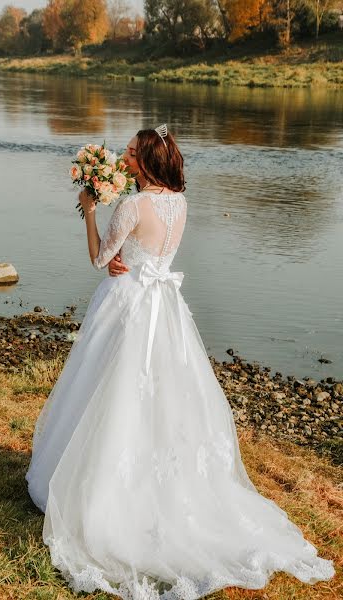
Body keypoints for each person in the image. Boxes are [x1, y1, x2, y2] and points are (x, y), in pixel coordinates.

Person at [26, 126, 335, 599]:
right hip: (165, 307)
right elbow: (153, 251)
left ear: (147, 160)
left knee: (111, 390)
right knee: (164, 394)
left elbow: (99, 258)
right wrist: (123, 254)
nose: (124, 158)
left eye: (131, 153)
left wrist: (89, 212)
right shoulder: (179, 203)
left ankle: (98, 482)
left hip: (128, 305)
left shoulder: (131, 204)